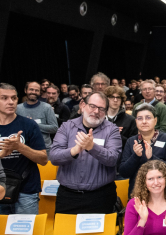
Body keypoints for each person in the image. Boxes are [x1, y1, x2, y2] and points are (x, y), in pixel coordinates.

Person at [49, 92, 122, 214]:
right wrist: (74, 150)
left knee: (100, 234)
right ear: (83, 105)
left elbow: (113, 159)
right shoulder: (66, 127)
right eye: (92, 106)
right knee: (65, 233)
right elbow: (54, 157)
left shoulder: (112, 130)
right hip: (68, 197)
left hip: (101, 197)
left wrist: (91, 147)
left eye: (101, 108)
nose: (96, 111)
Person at [0, 83, 48, 215]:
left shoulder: (28, 125)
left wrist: (19, 147)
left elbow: (43, 159)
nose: (10, 102)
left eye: (14, 98)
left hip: (26, 190)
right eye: (4, 98)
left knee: (25, 234)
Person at [120, 103, 166, 196]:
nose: (144, 121)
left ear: (155, 121)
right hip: (137, 194)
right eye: (140, 118)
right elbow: (124, 172)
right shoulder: (131, 141)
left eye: (148, 118)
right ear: (136, 121)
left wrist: (152, 158)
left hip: (162, 195)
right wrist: (135, 156)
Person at [16, 82, 58, 151]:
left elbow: (54, 128)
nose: (34, 92)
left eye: (36, 90)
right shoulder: (17, 109)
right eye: (31, 89)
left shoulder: (47, 107)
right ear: (25, 90)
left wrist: (34, 124)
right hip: (24, 149)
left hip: (44, 149)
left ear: (40, 92)